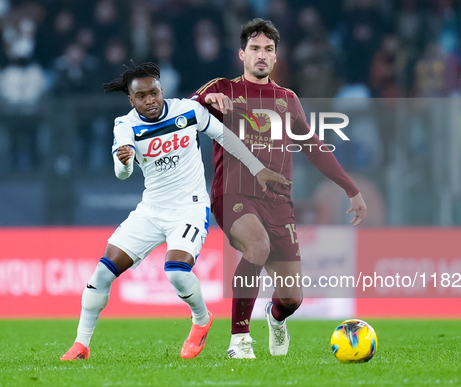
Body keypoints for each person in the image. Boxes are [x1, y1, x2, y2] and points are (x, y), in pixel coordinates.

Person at [60, 62, 290, 360]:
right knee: (102, 274)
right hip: (151, 211)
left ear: (162, 90)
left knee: (176, 273)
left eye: (154, 93)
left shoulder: (187, 111)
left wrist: (258, 169)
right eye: (141, 96)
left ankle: (201, 319)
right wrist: (126, 161)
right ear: (131, 100)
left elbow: (226, 137)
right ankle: (81, 345)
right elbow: (121, 174)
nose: (150, 100)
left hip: (189, 208)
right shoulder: (125, 125)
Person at [191, 19, 367, 359]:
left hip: (278, 202)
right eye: (254, 49)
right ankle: (239, 340)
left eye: (268, 50)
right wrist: (205, 101)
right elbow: (180, 114)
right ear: (241, 54)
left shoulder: (287, 100)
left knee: (292, 298)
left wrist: (351, 189)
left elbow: (314, 147)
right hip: (233, 194)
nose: (261, 55)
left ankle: (275, 318)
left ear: (275, 57)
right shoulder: (222, 88)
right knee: (256, 245)